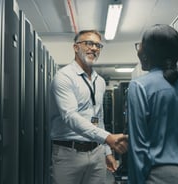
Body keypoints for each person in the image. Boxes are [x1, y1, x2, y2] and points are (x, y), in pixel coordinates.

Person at [126, 24, 178, 184]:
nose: (138, 50)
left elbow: (138, 149)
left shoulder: (139, 86)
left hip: (159, 176)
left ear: (148, 54)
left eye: (140, 45)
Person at [49, 29, 128, 184]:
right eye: (89, 43)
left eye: (98, 45)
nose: (94, 48)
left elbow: (99, 119)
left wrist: (107, 153)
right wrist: (107, 138)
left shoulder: (100, 81)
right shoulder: (64, 77)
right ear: (76, 47)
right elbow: (70, 116)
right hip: (68, 154)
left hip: (97, 152)